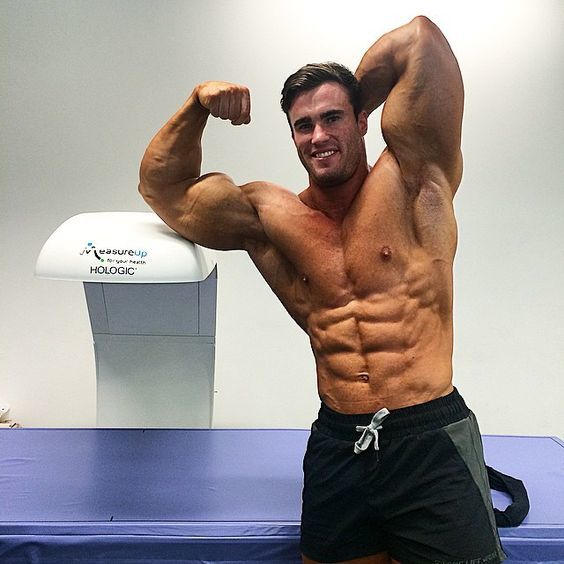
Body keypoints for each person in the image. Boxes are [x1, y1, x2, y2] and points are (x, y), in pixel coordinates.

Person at [139, 15, 506, 564]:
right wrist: (196, 105)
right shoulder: (269, 216)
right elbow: (163, 188)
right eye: (303, 125)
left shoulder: (413, 178)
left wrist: (352, 90)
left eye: (332, 118)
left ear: (363, 121)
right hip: (339, 442)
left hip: (429, 439)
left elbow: (420, 40)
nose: (318, 136)